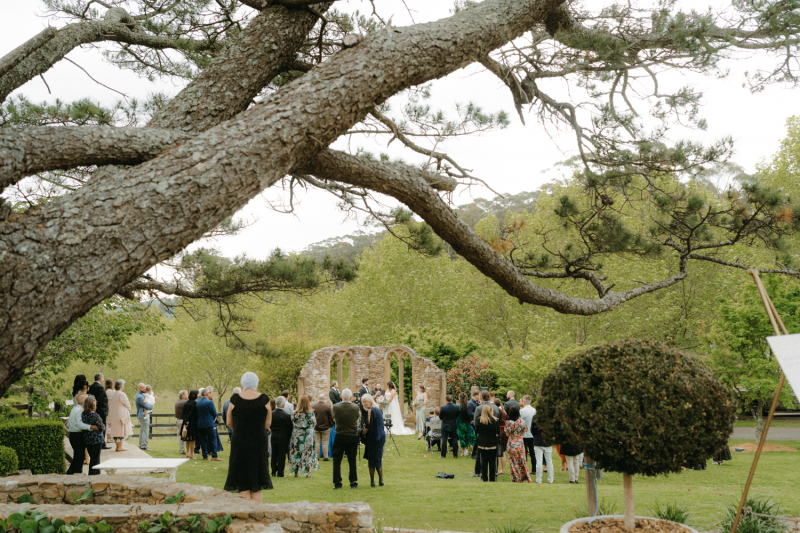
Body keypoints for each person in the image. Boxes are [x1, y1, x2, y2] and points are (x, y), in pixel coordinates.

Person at [224, 372, 273, 499]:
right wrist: (255, 429)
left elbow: (229, 422)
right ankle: (257, 515)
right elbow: (268, 422)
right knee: (257, 480)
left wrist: (241, 429)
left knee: (242, 480)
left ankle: (244, 515)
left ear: (242, 383)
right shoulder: (264, 399)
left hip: (240, 440)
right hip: (258, 440)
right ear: (256, 383)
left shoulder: (234, 399)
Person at [332, 388, 361, 489]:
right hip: (352, 435)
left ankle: (337, 483)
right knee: (352, 459)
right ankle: (353, 482)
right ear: (350, 397)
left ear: (341, 397)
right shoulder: (355, 407)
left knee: (337, 460)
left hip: (340, 434)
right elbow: (358, 418)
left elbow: (333, 417)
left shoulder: (335, 407)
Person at [66, 394, 99, 475]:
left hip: (73, 435)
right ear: (85, 402)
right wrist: (91, 427)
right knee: (79, 456)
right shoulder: (79, 411)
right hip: (77, 436)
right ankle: (74, 473)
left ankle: (74, 472)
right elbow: (80, 424)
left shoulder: (74, 409)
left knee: (79, 456)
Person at [288, 395, 318, 477]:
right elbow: (314, 423)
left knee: (296, 452)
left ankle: (296, 472)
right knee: (308, 453)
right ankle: (308, 473)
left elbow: (292, 422)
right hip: (308, 435)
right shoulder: (311, 414)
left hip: (297, 435)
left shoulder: (295, 413)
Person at [472, 391, 500, 478]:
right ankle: (494, 473)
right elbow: (498, 430)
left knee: (482, 458)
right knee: (493, 459)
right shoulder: (496, 408)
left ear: (482, 398)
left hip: (482, 437)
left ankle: (481, 473)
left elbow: (476, 425)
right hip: (493, 439)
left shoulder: (479, 409)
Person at [360, 394, 386, 487]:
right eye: (363, 402)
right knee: (378, 458)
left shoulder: (371, 410)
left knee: (371, 459)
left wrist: (362, 433)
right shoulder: (378, 410)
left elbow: (368, 425)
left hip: (373, 437)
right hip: (381, 436)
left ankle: (372, 481)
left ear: (370, 401)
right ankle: (381, 480)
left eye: (365, 402)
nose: (364, 404)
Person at [504, 406, 531, 483]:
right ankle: (525, 476)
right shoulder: (522, 422)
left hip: (511, 443)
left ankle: (516, 477)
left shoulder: (508, 422)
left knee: (513, 461)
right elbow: (523, 433)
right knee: (522, 460)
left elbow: (507, 434)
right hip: (519, 442)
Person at [81, 395, 105, 475]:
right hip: (96, 440)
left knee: (94, 458)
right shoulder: (95, 416)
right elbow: (102, 427)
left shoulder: (83, 415)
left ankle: (97, 474)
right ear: (94, 405)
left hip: (87, 439)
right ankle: (92, 476)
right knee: (95, 460)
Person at [107, 379, 132, 452]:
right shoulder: (122, 394)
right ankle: (120, 446)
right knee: (120, 430)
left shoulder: (114, 393)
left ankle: (117, 446)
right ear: (121, 386)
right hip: (120, 414)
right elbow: (127, 403)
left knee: (116, 430)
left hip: (114, 414)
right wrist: (129, 410)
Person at [196, 388, 221, 461]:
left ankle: (205, 456)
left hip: (200, 423)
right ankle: (214, 456)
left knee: (203, 440)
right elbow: (214, 413)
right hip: (209, 423)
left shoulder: (198, 402)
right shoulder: (209, 402)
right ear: (207, 394)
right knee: (213, 439)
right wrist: (214, 418)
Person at [271, 396, 293, 477]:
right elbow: (289, 428)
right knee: (281, 455)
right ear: (283, 405)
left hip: (274, 436)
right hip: (283, 437)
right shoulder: (286, 415)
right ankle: (280, 472)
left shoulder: (271, 414)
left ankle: (273, 471)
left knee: (274, 454)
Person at [88, 373, 110, 450]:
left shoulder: (91, 386)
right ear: (100, 379)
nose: (103, 380)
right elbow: (100, 399)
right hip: (101, 410)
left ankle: (97, 442)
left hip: (94, 410)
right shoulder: (100, 387)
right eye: (103, 378)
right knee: (102, 426)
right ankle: (102, 444)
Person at [532, 407, 553, 484]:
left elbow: (532, 429)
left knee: (539, 461)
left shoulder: (535, 417)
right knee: (549, 461)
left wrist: (536, 436)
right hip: (547, 440)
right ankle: (551, 479)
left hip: (538, 440)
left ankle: (538, 479)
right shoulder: (550, 418)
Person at [312, 393, 334, 461]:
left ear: (318, 399)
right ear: (324, 399)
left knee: (317, 442)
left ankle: (317, 457)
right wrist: (330, 426)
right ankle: (326, 457)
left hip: (316, 427)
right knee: (325, 442)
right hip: (325, 428)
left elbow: (311, 417)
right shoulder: (327, 407)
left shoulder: (313, 406)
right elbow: (330, 417)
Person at [438, 394, 459, 458]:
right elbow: (457, 415)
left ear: (446, 400)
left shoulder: (443, 407)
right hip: (453, 424)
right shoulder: (456, 407)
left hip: (445, 425)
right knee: (454, 439)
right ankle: (455, 455)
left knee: (444, 439)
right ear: (452, 399)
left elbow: (440, 416)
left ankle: (443, 455)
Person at [520, 395, 536, 474]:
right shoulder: (534, 410)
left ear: (524, 402)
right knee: (533, 452)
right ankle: (534, 469)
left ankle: (524, 469)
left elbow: (520, 422)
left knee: (524, 452)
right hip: (533, 435)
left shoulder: (522, 411)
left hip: (524, 434)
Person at [135, 383, 154, 451]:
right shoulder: (140, 396)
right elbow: (147, 406)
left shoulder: (140, 394)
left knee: (143, 430)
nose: (144, 388)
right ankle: (144, 445)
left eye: (144, 387)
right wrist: (152, 406)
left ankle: (141, 445)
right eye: (142, 387)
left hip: (142, 414)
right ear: (139, 388)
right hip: (143, 415)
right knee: (145, 430)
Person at [181, 390, 199, 459]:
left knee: (187, 438)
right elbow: (191, 413)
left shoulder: (186, 403)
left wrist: (185, 421)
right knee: (192, 438)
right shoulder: (195, 403)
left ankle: (187, 452)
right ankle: (191, 453)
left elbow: (183, 413)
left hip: (185, 422)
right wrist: (188, 421)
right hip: (192, 422)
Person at [456, 392, 475, 457]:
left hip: (460, 423)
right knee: (469, 436)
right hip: (467, 422)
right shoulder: (468, 405)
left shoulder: (457, 406)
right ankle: (467, 449)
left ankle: (463, 451)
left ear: (459, 398)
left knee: (462, 437)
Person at [495, 398, 507, 475]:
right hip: (504, 432)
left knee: (498, 451)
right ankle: (502, 469)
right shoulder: (504, 413)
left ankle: (498, 469)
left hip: (499, 431)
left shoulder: (496, 413)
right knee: (503, 451)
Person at [175, 390, 188, 455]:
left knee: (180, 435)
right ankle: (184, 450)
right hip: (182, 420)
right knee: (184, 435)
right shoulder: (184, 402)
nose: (187, 395)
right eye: (186, 394)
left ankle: (181, 449)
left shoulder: (177, 401)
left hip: (178, 420)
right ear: (183, 395)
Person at [104, 378, 115, 445]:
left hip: (106, 410)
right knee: (111, 425)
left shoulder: (105, 392)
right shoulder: (113, 392)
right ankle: (109, 438)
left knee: (108, 425)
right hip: (112, 410)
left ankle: (108, 438)